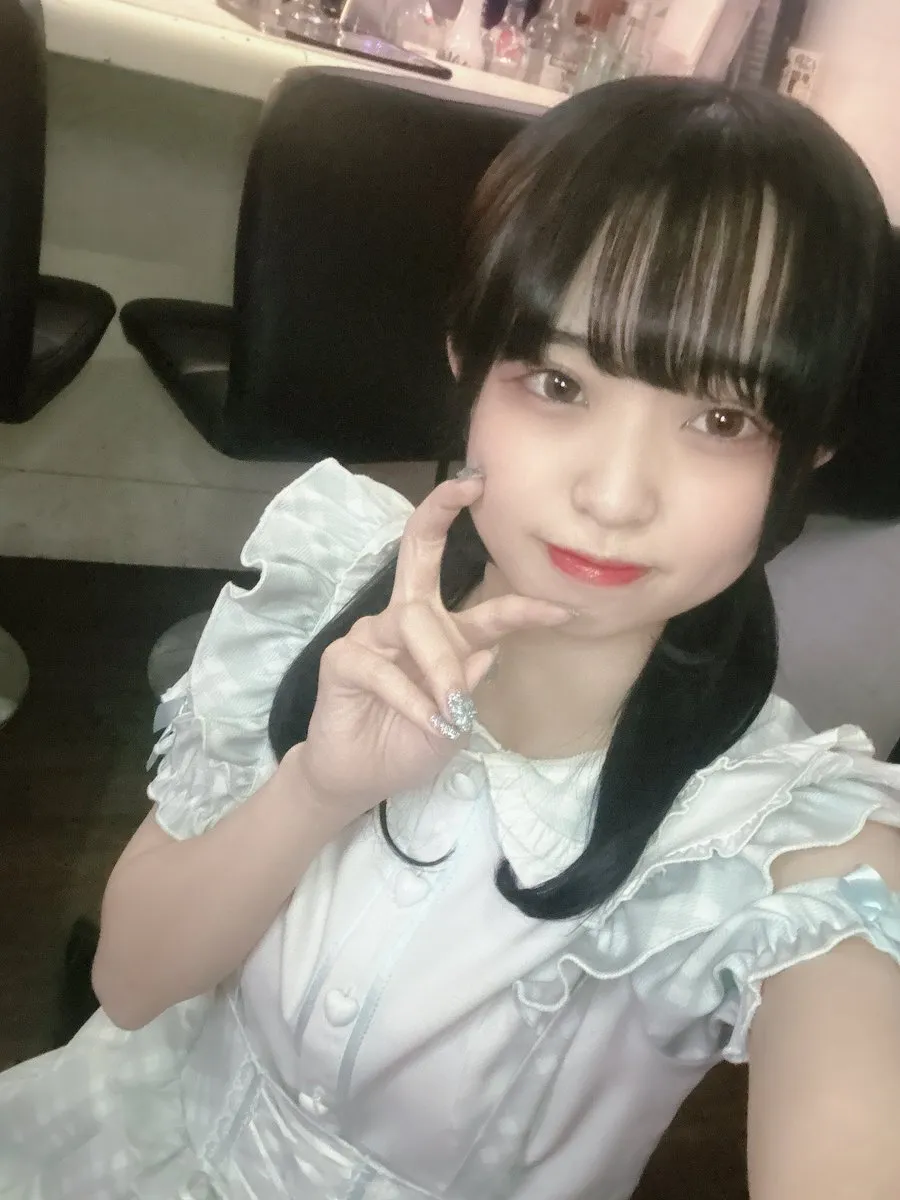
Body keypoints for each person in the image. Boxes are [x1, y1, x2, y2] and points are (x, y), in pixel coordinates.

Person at [2, 76, 900, 1200]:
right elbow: (130, 986)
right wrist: (314, 791)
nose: (615, 495)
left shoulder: (799, 841)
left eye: (722, 419)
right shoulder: (328, 590)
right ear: (465, 362)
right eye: (559, 382)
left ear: (810, 448)